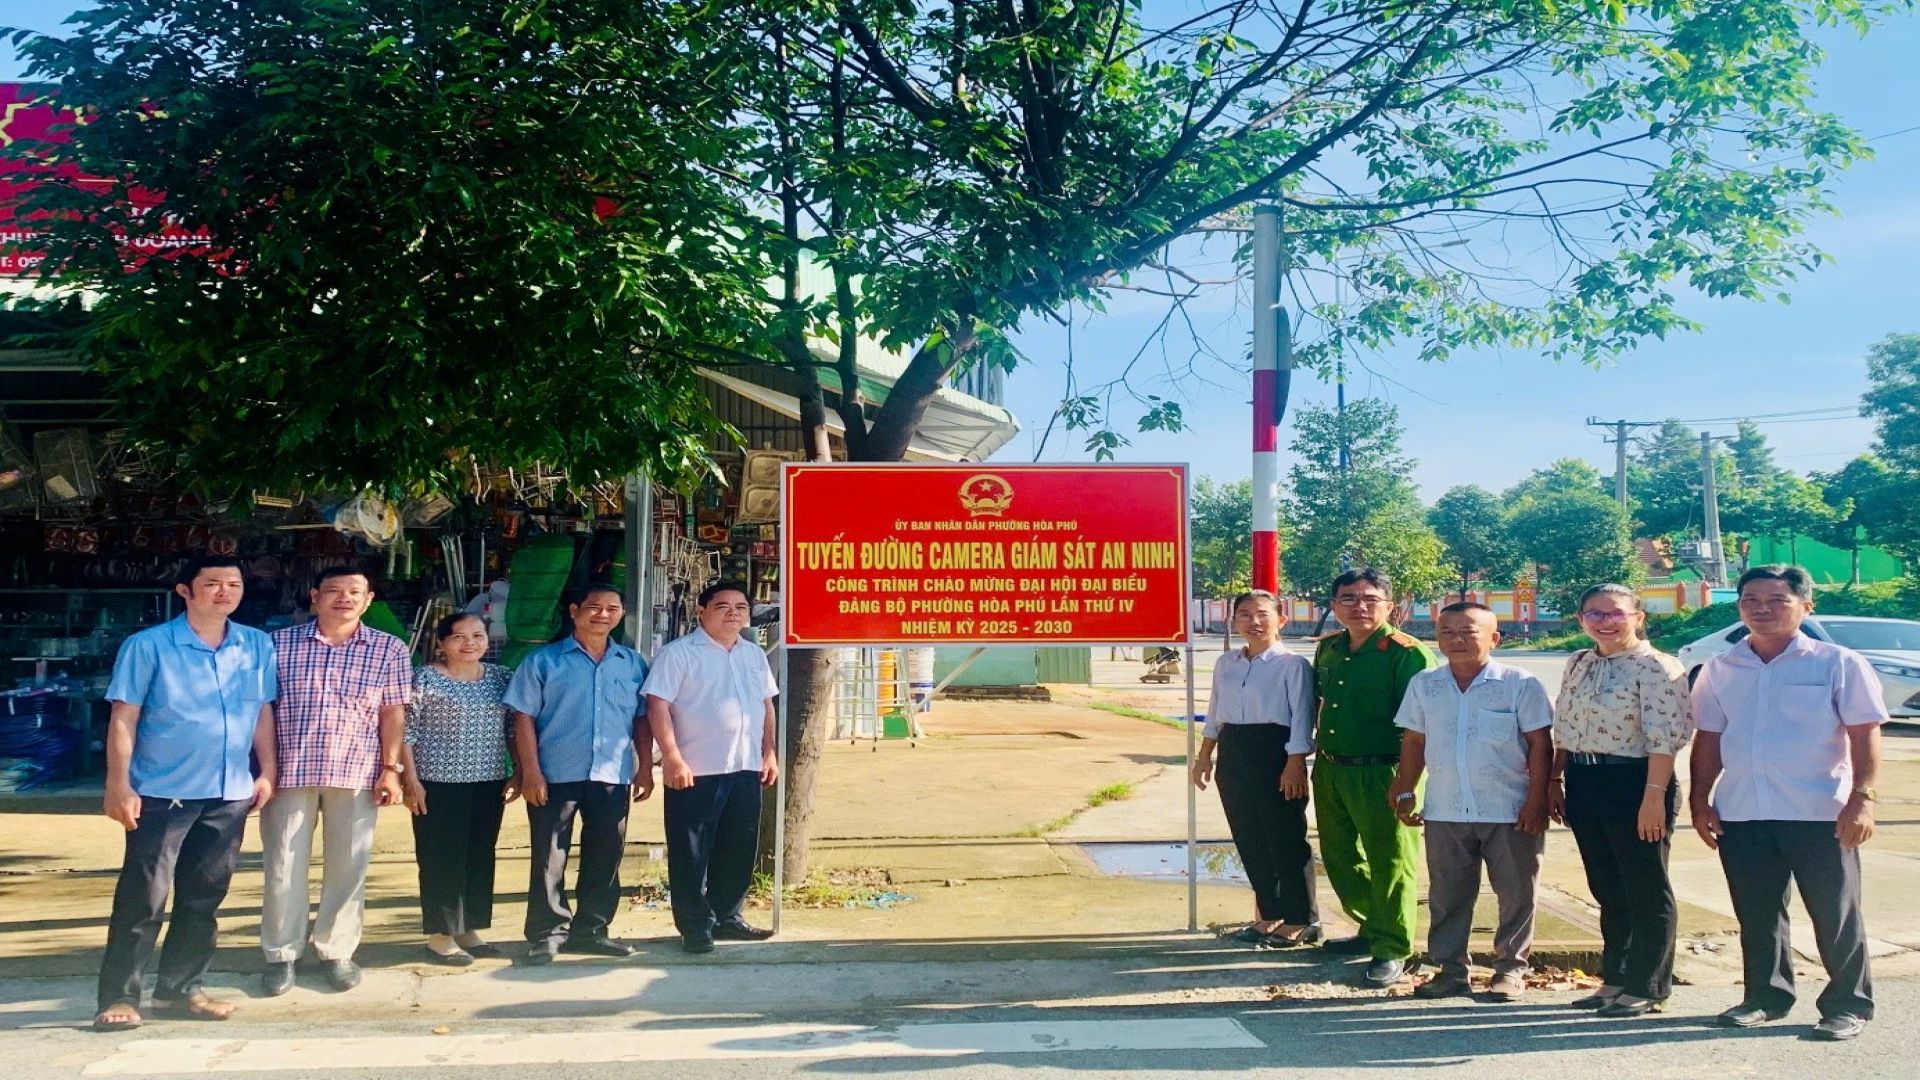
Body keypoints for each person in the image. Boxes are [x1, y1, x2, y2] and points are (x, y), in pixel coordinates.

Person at [1691, 564, 1887, 1042]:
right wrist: (1700, 801)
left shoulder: (1837, 662)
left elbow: (1865, 732)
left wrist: (1862, 799)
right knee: (1756, 914)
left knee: (1834, 913)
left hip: (1821, 811)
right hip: (1743, 811)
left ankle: (1847, 1004)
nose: (1762, 609)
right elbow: (1708, 739)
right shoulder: (1721, 668)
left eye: (1777, 600)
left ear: (1805, 606)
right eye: (1751, 601)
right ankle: (1765, 996)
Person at [92, 555, 278, 1032]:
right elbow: (124, 717)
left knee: (203, 898)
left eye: (233, 584)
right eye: (212, 583)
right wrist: (119, 783)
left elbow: (260, 713)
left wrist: (268, 770)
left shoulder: (255, 645)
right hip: (161, 791)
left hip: (230, 791)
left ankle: (181, 990)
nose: (225, 592)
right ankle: (119, 995)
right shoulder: (148, 645)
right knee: (144, 898)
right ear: (185, 591)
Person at [260, 566, 412, 996]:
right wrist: (265, 770)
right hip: (291, 770)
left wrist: (391, 768)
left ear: (368, 600)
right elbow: (262, 710)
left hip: (357, 771)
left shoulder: (388, 649)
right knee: (283, 867)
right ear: (314, 596)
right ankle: (282, 955)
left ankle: (336, 950)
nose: (343, 598)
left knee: (348, 865)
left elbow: (393, 712)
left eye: (354, 592)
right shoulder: (278, 644)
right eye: (333, 591)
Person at [1390, 602, 1553, 1003]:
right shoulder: (1425, 685)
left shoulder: (1520, 683)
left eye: (1468, 631)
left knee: (1516, 894)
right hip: (1445, 808)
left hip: (1509, 809)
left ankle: (1510, 970)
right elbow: (1414, 740)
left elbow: (1540, 744)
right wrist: (1405, 787)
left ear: (1494, 638)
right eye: (1448, 632)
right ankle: (1449, 971)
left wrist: (1537, 800)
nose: (1457, 640)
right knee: (1447, 895)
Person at [1549, 584, 1691, 1018]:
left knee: (1645, 886)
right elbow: (1564, 725)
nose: (1605, 621)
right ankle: (1615, 978)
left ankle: (1648, 984)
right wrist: (1556, 778)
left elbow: (1664, 738)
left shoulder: (1657, 667)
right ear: (1581, 619)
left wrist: (1653, 798)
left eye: (1615, 614)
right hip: (1585, 778)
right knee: (1608, 887)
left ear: (1638, 617)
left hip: (1637, 780)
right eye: (1594, 614)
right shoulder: (1579, 662)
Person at [507, 583, 653, 965]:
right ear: (574, 611)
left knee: (606, 855)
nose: (602, 615)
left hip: (612, 774)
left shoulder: (632, 663)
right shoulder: (543, 661)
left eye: (612, 608)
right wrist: (530, 773)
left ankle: (592, 930)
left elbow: (642, 720)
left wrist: (645, 769)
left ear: (621, 614)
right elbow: (522, 720)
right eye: (593, 607)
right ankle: (547, 933)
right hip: (555, 773)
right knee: (548, 856)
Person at [1311, 568, 1435, 987]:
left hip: (1384, 770)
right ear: (1334, 606)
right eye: (1348, 598)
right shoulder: (1329, 649)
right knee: (1340, 857)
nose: (1358, 606)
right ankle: (1371, 925)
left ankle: (1393, 947)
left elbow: (1419, 725)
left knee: (1391, 861)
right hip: (1331, 769)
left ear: (1389, 606)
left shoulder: (1406, 653)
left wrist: (1407, 781)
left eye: (1369, 599)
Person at [644, 581, 780, 954]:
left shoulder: (753, 654)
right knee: (691, 851)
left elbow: (766, 707)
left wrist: (769, 753)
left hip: (746, 767)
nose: (733, 613)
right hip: (695, 768)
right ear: (701, 612)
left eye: (741, 606)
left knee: (738, 845)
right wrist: (671, 758)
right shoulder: (679, 654)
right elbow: (658, 707)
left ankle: (727, 917)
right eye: (723, 606)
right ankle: (694, 924)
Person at [1189, 590, 1319, 947]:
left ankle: (1301, 918)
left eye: (1262, 614)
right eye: (1244, 615)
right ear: (1234, 621)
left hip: (1275, 752)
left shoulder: (1292, 665)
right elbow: (1215, 712)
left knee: (1285, 836)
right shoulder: (1226, 663)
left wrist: (1295, 764)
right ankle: (1270, 914)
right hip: (1233, 751)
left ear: (1281, 620)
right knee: (1249, 836)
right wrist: (1204, 757)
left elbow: (1301, 718)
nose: (1254, 622)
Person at [399, 613, 518, 966]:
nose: (470, 643)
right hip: (437, 784)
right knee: (441, 858)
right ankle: (440, 936)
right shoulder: (424, 678)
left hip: (488, 781)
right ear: (441, 643)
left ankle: (469, 929)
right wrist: (411, 781)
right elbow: (406, 733)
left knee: (479, 855)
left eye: (478, 635)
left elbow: (513, 728)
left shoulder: (500, 678)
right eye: (459, 637)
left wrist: (519, 771)